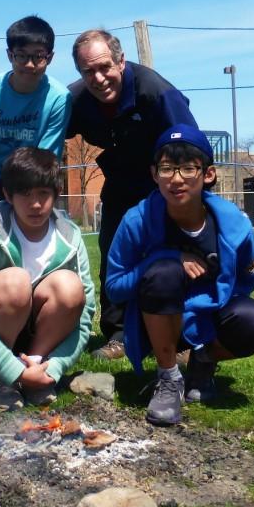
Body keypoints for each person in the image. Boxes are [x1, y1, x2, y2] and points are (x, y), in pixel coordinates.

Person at [106, 125, 254, 426]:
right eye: (167, 168)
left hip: (209, 315)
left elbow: (249, 279)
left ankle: (204, 360)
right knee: (163, 273)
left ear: (207, 174)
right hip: (153, 318)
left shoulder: (234, 223)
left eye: (187, 168)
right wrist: (163, 257)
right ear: (155, 174)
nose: (177, 179)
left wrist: (205, 315)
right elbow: (115, 288)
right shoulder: (137, 220)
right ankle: (169, 378)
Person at [66, 29, 199, 360]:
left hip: (167, 186)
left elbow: (192, 151)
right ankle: (120, 335)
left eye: (104, 67)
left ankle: (182, 335)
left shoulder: (157, 94)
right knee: (115, 254)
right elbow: (46, 134)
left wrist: (190, 204)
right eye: (87, 71)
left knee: (174, 257)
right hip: (122, 183)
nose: (98, 78)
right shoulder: (76, 100)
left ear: (121, 61)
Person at [0, 147, 94, 411]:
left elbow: (85, 316)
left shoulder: (70, 236)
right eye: (25, 194)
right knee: (16, 283)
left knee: (70, 287)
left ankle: (36, 370)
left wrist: (56, 366)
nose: (36, 204)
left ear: (56, 194)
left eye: (43, 194)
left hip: (41, 334)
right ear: (8, 194)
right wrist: (11, 369)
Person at [0, 15, 71, 225]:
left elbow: (47, 158)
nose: (30, 64)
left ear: (50, 57)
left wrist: (29, 201)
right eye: (21, 56)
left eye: (38, 56)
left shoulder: (59, 98)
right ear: (9, 55)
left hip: (34, 186)